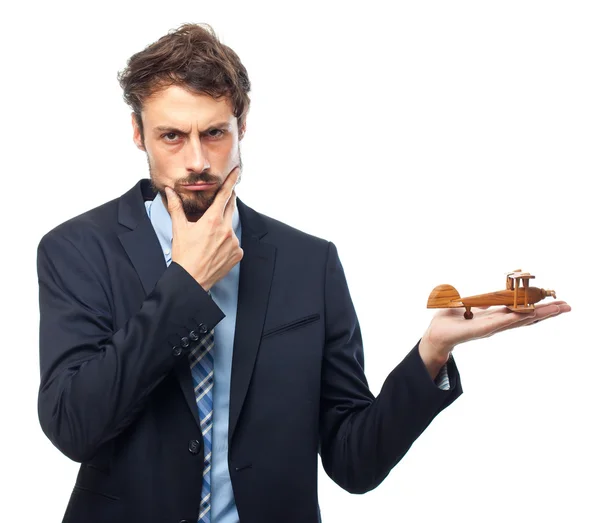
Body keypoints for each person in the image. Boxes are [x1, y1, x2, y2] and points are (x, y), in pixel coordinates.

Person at [36, 23, 571, 523]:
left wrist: (432, 352)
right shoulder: (76, 251)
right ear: (138, 133)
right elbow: (74, 428)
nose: (197, 160)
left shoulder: (308, 262)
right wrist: (188, 284)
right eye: (172, 136)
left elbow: (353, 462)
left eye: (215, 133)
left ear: (243, 124)